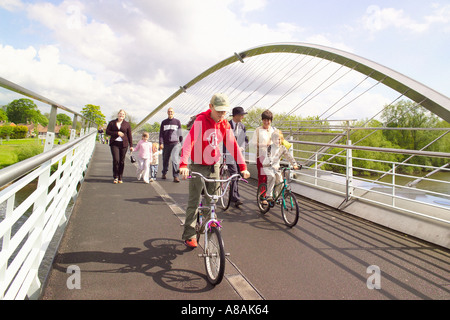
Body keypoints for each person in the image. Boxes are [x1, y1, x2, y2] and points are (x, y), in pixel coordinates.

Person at [179, 93, 250, 248]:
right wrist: (183, 165)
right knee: (194, 200)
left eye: (224, 111)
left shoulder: (224, 124)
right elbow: (189, 142)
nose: (221, 114)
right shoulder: (200, 121)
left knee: (213, 199)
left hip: (214, 165)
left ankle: (209, 224)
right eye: (219, 111)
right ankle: (189, 234)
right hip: (198, 164)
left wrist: (243, 167)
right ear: (210, 107)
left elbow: (233, 146)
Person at [262, 130, 299, 204]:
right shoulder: (270, 147)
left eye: (279, 139)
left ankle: (276, 196)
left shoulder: (282, 148)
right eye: (276, 139)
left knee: (280, 182)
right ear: (272, 140)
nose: (278, 141)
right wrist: (272, 164)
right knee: (272, 177)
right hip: (267, 166)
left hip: (276, 167)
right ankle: (269, 196)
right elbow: (269, 157)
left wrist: (294, 164)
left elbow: (288, 156)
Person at [224, 106, 248, 208]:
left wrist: (242, 148)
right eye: (241, 115)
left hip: (239, 153)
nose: (243, 116)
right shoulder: (227, 125)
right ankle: (235, 197)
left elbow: (245, 140)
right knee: (234, 173)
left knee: (238, 174)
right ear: (236, 116)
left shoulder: (242, 126)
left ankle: (233, 194)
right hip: (229, 153)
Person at [105, 109, 134, 184]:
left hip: (124, 144)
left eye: (123, 114)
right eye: (120, 114)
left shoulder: (127, 124)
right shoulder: (112, 123)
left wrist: (131, 145)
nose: (121, 115)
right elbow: (107, 132)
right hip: (114, 143)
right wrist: (117, 133)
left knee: (122, 161)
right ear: (118, 114)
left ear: (125, 116)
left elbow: (129, 135)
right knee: (116, 160)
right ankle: (115, 177)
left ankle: (120, 177)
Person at [250, 109, 275, 189]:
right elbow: (254, 143)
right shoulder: (258, 130)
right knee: (262, 177)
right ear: (262, 120)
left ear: (271, 120)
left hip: (272, 157)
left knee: (272, 177)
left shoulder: (274, 130)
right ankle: (262, 196)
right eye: (264, 120)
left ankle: (270, 195)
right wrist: (264, 145)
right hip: (261, 157)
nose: (266, 122)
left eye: (268, 120)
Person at [159, 107, 183, 182]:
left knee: (175, 160)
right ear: (167, 113)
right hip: (166, 144)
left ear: (173, 113)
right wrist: (161, 143)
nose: (170, 113)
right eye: (169, 112)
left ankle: (175, 176)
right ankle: (164, 172)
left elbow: (180, 134)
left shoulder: (177, 122)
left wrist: (182, 144)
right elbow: (161, 134)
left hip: (175, 143)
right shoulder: (164, 122)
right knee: (165, 159)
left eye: (171, 112)